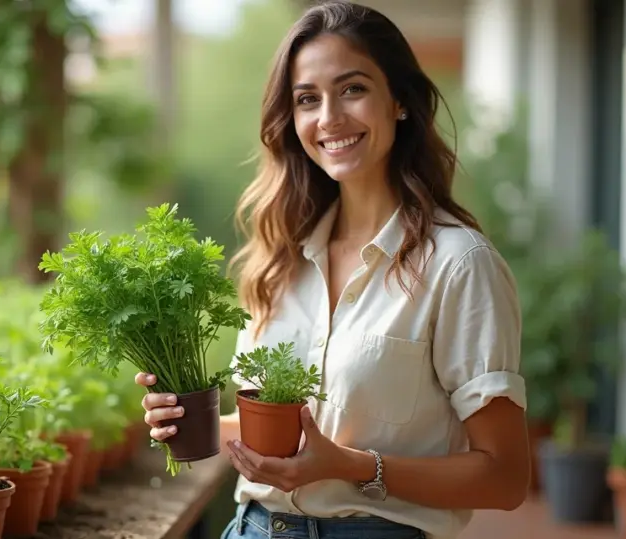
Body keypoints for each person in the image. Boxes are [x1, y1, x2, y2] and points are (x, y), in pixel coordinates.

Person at [135, 2, 530, 538]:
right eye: (306, 99)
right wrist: (190, 425)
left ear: (400, 103)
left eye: (353, 89)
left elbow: (505, 479)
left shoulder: (458, 265)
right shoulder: (279, 258)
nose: (329, 118)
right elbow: (282, 436)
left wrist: (352, 467)